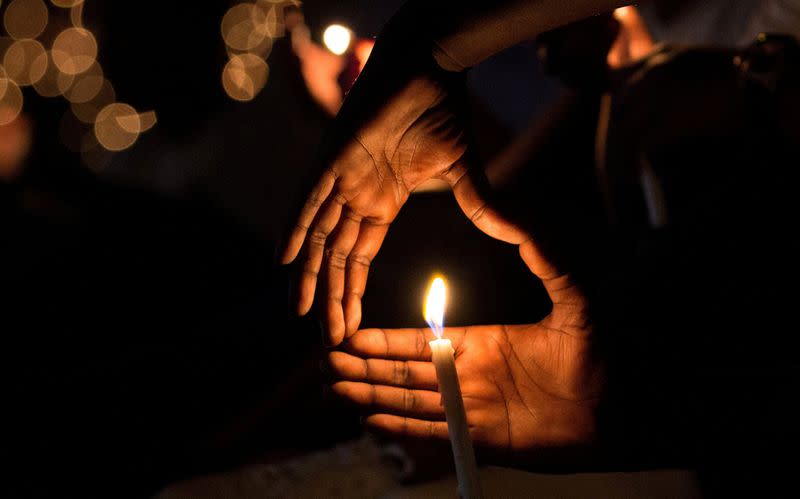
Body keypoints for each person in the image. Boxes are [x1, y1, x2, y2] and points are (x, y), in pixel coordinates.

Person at [283, 0, 800, 494]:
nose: (539, 45)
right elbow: (503, 176)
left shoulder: (747, 26)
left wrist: (753, 80)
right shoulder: (627, 60)